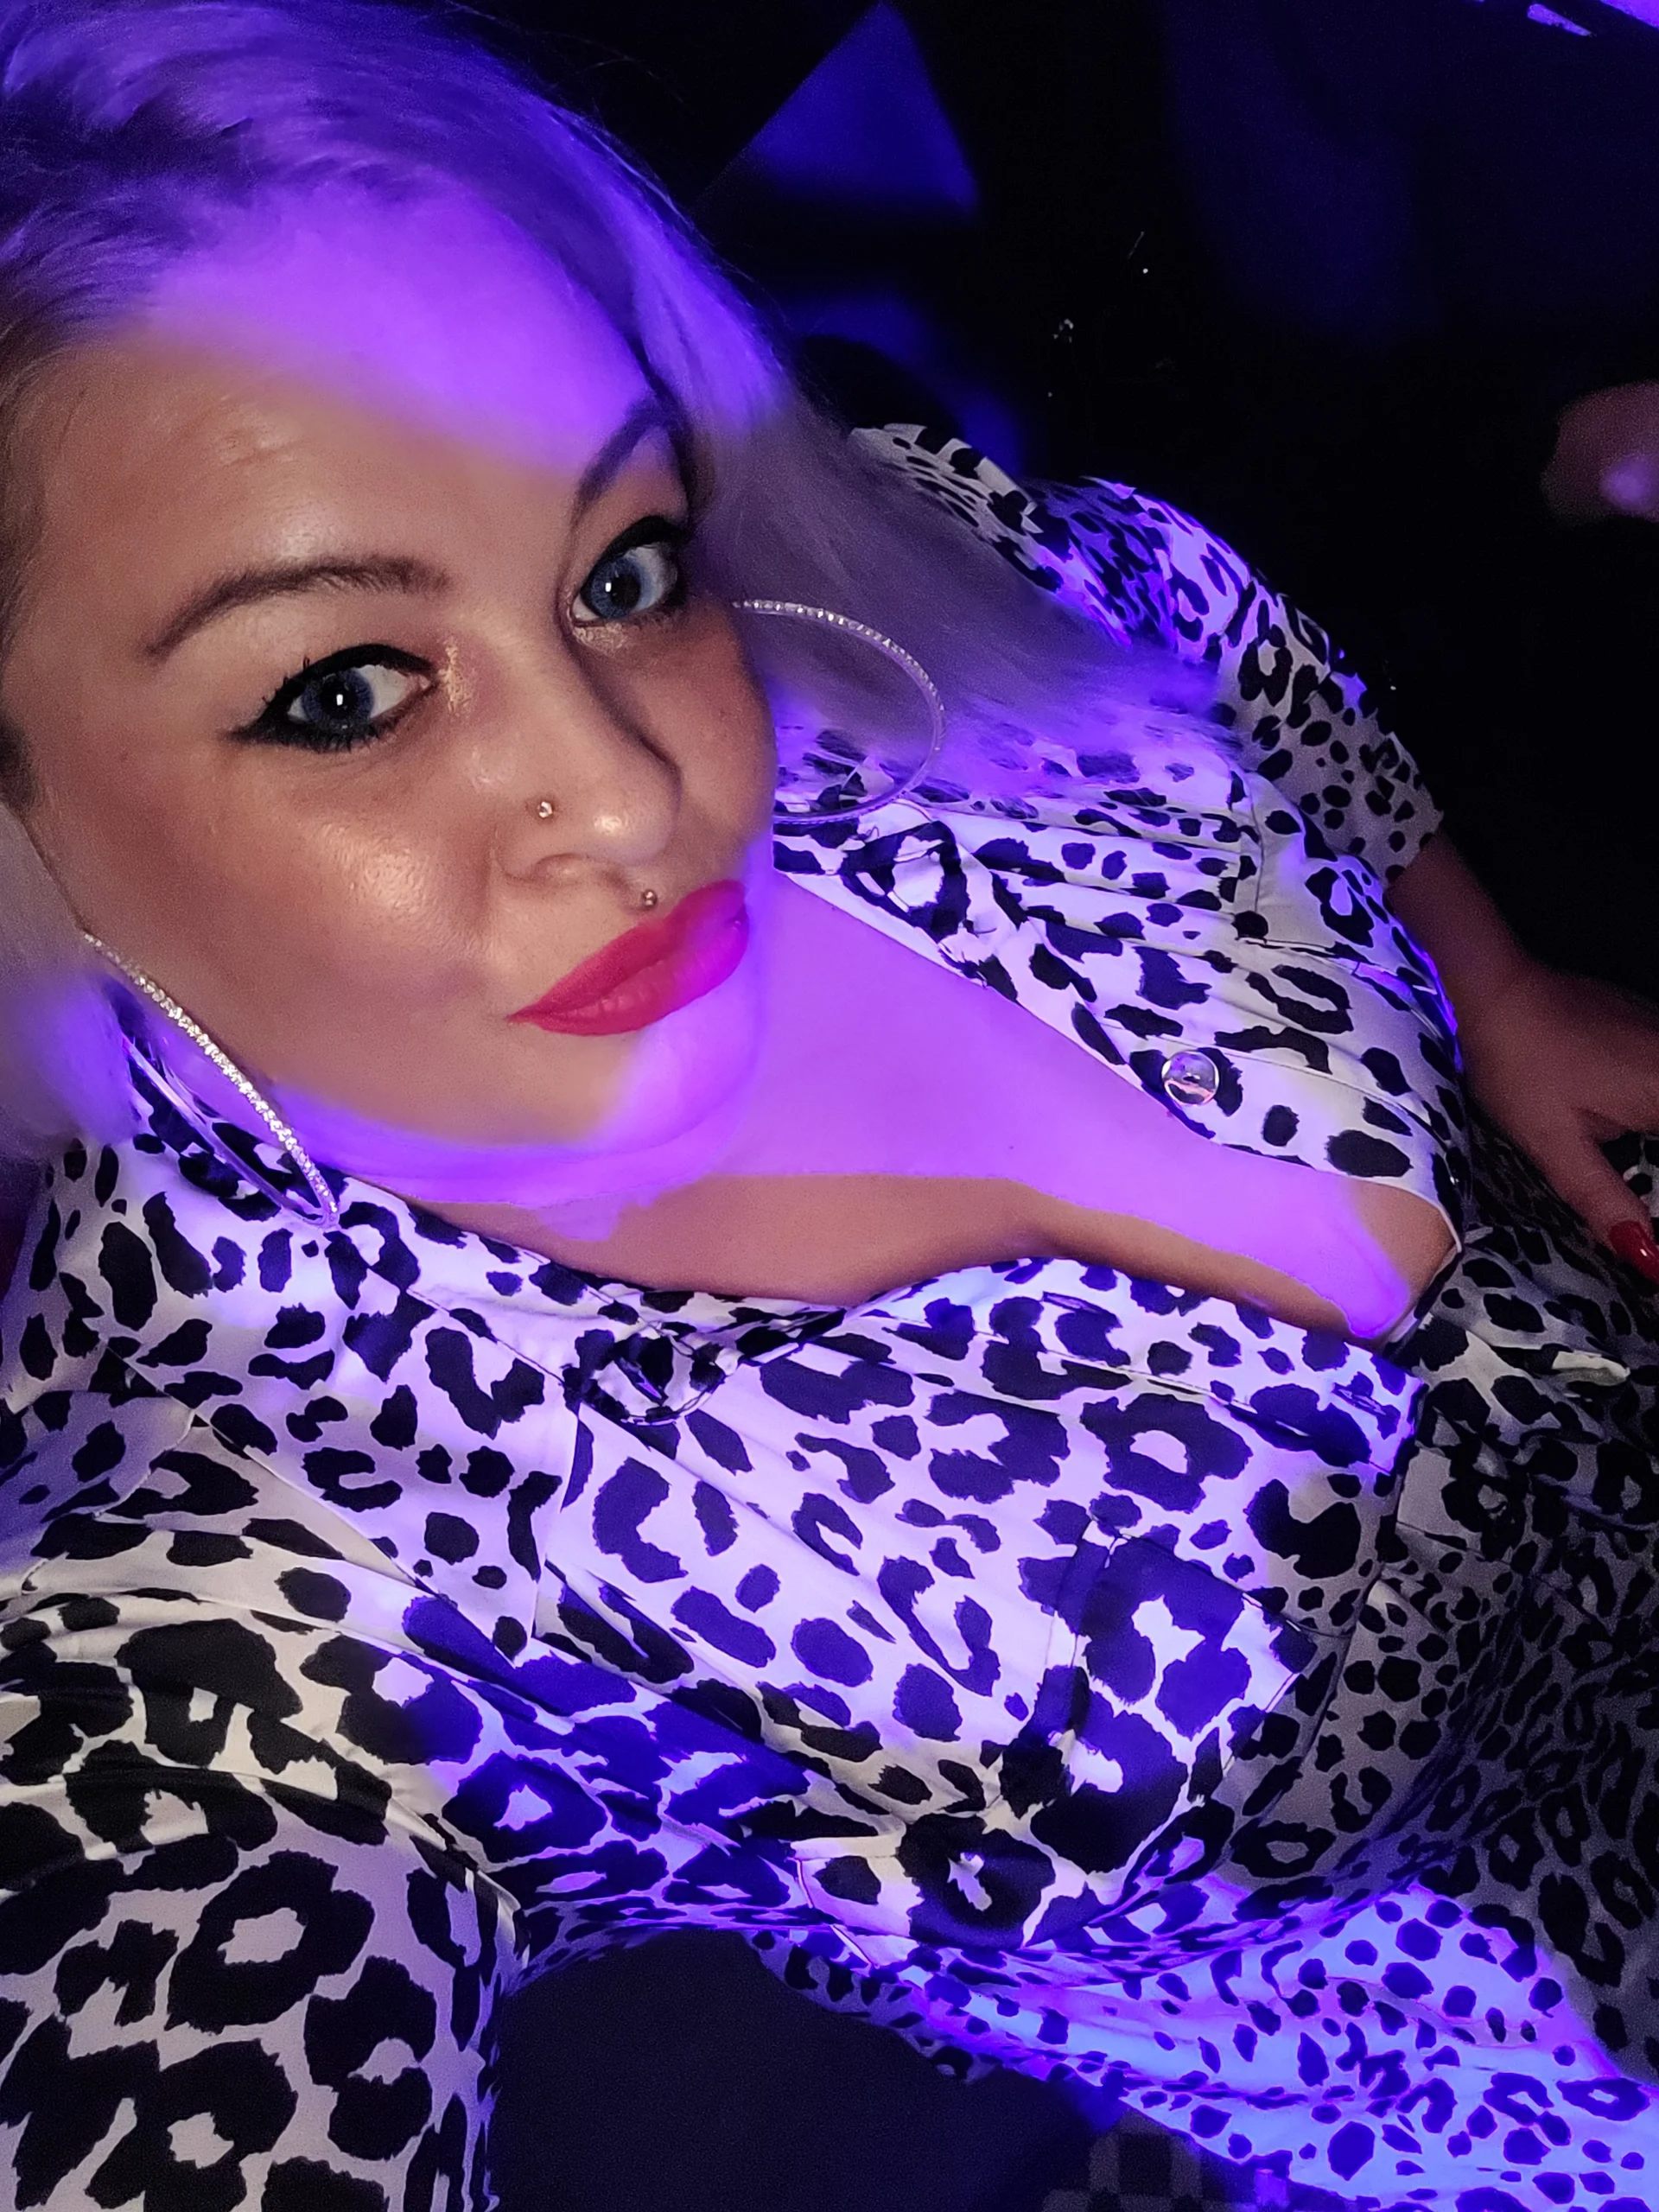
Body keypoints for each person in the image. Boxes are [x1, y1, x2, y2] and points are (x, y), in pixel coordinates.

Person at [2, 7, 1659, 2210]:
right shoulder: (235, 1581)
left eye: (616, 563)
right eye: (344, 689)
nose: (638, 790)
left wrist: (1494, 979)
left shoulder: (834, 621)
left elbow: (1179, 612)